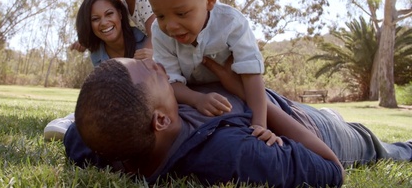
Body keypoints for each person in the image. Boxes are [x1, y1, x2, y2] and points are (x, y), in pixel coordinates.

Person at [66, 57, 412, 187]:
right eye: (150, 72)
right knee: (377, 146)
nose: (155, 64)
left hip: (272, 100)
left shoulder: (97, 137)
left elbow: (79, 131)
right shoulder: (230, 156)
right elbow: (331, 168)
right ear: (160, 120)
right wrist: (242, 92)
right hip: (314, 128)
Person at [145, 0, 269, 139]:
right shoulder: (159, 33)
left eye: (181, 13)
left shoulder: (232, 23)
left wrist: (260, 125)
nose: (171, 26)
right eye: (160, 15)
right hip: (189, 94)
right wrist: (197, 99)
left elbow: (251, 75)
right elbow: (170, 81)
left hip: (233, 90)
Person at [43, 0, 151, 141]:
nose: (104, 22)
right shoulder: (97, 53)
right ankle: (72, 122)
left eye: (109, 14)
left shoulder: (145, 38)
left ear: (120, 14)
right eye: (95, 19)